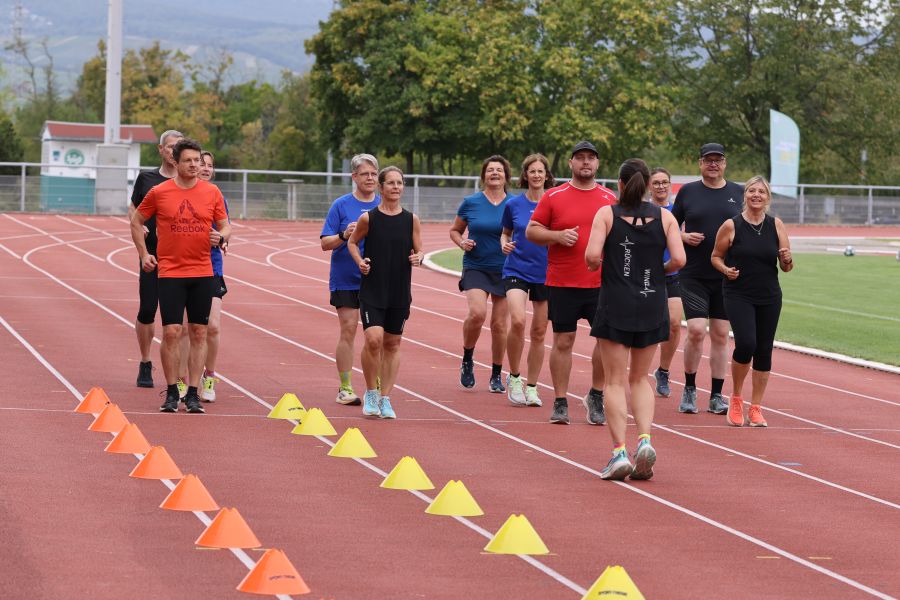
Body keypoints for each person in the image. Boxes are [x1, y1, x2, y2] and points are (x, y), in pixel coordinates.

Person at [585, 159, 685, 480]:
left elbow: (590, 256)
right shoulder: (665, 216)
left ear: (620, 184)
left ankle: (618, 453)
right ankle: (644, 440)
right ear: (645, 185)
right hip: (651, 299)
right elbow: (680, 259)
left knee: (614, 380)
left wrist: (600, 264)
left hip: (616, 301)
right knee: (640, 379)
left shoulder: (606, 214)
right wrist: (657, 273)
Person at [131, 138, 230, 414]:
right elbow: (136, 220)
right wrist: (143, 254)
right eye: (188, 160)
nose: (195, 165)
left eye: (198, 161)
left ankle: (194, 393)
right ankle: (173, 390)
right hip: (171, 271)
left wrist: (221, 236)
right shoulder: (160, 192)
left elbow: (225, 225)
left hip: (202, 272)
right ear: (176, 161)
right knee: (172, 332)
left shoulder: (211, 193)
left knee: (199, 332)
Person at [526, 141, 617, 425]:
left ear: (598, 164)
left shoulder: (610, 198)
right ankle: (561, 400)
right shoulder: (554, 195)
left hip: (601, 283)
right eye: (580, 158)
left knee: (605, 342)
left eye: (591, 158)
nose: (585, 163)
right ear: (570, 163)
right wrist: (557, 236)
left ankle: (596, 395)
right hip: (563, 281)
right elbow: (532, 231)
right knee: (563, 341)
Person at [711, 176, 793, 427]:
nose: (756, 195)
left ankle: (755, 407)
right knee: (746, 343)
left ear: (768, 198)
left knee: (764, 349)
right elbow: (715, 256)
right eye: (751, 191)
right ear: (745, 195)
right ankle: (736, 397)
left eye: (761, 192)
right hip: (738, 293)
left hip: (769, 294)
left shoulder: (776, 225)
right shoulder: (731, 225)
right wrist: (726, 271)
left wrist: (787, 258)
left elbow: (787, 267)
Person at [671, 143, 742, 415]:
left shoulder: (738, 193)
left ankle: (716, 395)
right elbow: (669, 225)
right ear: (700, 163)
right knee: (698, 330)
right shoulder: (688, 192)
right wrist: (683, 237)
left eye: (718, 160)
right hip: (694, 274)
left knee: (722, 334)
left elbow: (748, 225)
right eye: (708, 160)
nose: (713, 164)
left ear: (725, 163)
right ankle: (689, 388)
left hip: (726, 275)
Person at [347, 166, 424, 419]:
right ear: (381, 187)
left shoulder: (411, 219)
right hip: (373, 289)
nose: (395, 187)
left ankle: (386, 398)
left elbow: (419, 250)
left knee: (393, 343)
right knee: (373, 340)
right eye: (390, 183)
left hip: (399, 290)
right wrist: (360, 261)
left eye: (399, 183)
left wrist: (419, 257)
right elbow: (352, 242)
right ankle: (371, 392)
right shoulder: (369, 218)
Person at [320, 154, 380, 405]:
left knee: (376, 336)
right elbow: (325, 243)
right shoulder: (341, 206)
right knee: (348, 330)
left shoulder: (384, 205)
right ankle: (345, 387)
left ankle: (374, 386)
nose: (370, 178)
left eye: (374, 174)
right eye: (365, 174)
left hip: (377, 278)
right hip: (346, 277)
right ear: (354, 177)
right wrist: (344, 235)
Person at [449, 155, 512, 393]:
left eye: (499, 170)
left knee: (499, 325)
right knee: (477, 314)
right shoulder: (471, 202)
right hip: (476, 265)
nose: (494, 173)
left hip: (506, 269)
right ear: (484, 176)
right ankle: (467, 358)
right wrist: (462, 242)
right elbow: (455, 231)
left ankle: (496, 373)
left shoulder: (514, 204)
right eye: (490, 170)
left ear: (506, 176)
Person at [128, 129, 183, 388]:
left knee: (177, 318)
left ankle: (180, 374)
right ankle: (145, 361)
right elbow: (134, 207)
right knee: (148, 309)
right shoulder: (147, 179)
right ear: (161, 150)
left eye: (178, 147)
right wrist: (138, 225)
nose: (174, 151)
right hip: (152, 255)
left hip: (181, 257)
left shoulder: (187, 181)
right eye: (170, 147)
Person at [500, 154, 552, 407]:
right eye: (532, 171)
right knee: (518, 321)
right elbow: (506, 232)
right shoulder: (513, 205)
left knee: (540, 332)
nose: (536, 175)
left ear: (546, 175)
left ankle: (532, 386)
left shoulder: (554, 202)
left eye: (540, 171)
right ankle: (514, 376)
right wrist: (504, 245)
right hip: (516, 269)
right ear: (525, 175)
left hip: (546, 272)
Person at [648, 167, 683, 397]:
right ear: (649, 186)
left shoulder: (678, 212)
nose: (661, 186)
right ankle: (635, 372)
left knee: (674, 323)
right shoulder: (644, 211)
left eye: (664, 182)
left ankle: (663, 370)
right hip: (646, 276)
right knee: (647, 325)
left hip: (672, 275)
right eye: (656, 182)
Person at [199, 151, 228, 401]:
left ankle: (209, 376)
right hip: (185, 267)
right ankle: (182, 378)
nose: (206, 169)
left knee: (213, 327)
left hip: (213, 268)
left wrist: (223, 238)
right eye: (202, 164)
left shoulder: (216, 196)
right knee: (189, 329)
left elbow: (225, 228)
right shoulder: (178, 194)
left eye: (210, 165)